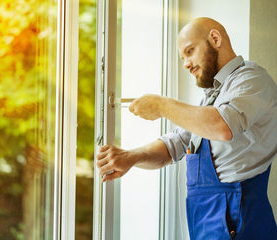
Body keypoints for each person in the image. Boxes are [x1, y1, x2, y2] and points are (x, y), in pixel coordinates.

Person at [96, 17, 277, 239]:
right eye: (183, 58)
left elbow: (223, 126)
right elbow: (176, 144)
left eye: (190, 51)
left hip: (240, 223)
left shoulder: (252, 79)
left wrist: (161, 105)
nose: (186, 64)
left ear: (215, 38)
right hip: (208, 221)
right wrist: (130, 157)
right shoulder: (213, 98)